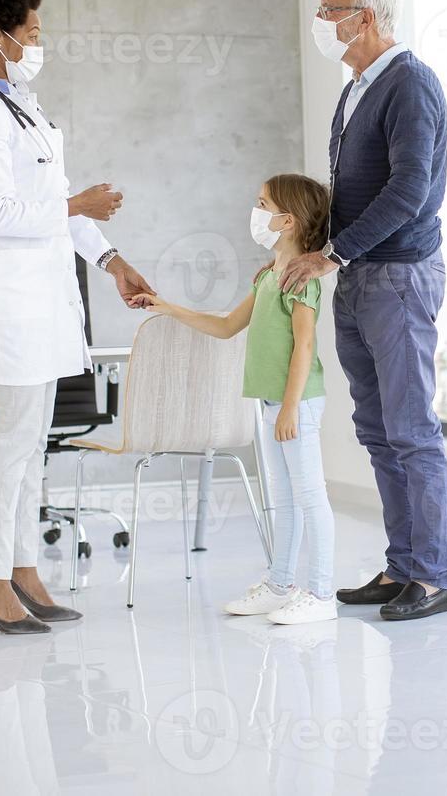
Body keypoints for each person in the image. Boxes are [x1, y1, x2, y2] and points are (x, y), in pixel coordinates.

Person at [0, 0, 154, 634]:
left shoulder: (23, 109)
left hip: (41, 302)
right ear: (0, 36)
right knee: (10, 443)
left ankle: (24, 567)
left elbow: (57, 211)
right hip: (8, 306)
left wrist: (113, 260)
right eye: (31, 31)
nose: (40, 41)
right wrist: (74, 202)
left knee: (29, 442)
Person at [280, 0, 447, 621]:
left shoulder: (411, 84)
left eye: (332, 10)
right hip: (356, 276)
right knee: (379, 430)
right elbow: (352, 187)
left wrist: (335, 253)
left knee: (411, 430)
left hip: (399, 278)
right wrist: (311, 248)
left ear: (366, 17)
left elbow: (410, 191)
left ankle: (432, 576)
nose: (322, 22)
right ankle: (403, 566)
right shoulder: (356, 87)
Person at [132, 174, 338, 625]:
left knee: (309, 495)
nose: (255, 210)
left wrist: (289, 407)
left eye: (262, 204)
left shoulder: (302, 279)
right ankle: (280, 584)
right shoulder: (269, 277)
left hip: (295, 405)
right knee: (282, 500)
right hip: (270, 403)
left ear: (286, 221)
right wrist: (167, 306)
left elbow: (305, 347)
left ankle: (322, 594)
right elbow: (227, 326)